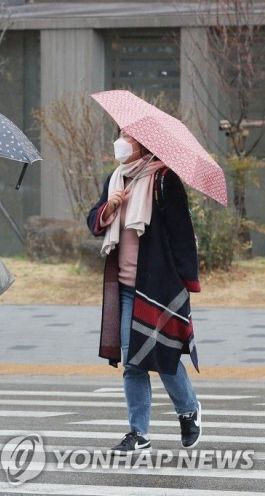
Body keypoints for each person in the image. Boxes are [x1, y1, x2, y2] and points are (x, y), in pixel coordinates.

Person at [87, 131, 202, 453]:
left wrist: (187, 282)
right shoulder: (117, 179)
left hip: (158, 285)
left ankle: (188, 409)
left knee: (164, 354)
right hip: (124, 287)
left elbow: (181, 232)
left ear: (144, 143)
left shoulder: (165, 180)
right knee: (133, 362)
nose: (120, 141)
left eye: (127, 136)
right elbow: (93, 221)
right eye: (119, 135)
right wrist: (109, 208)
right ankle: (139, 433)